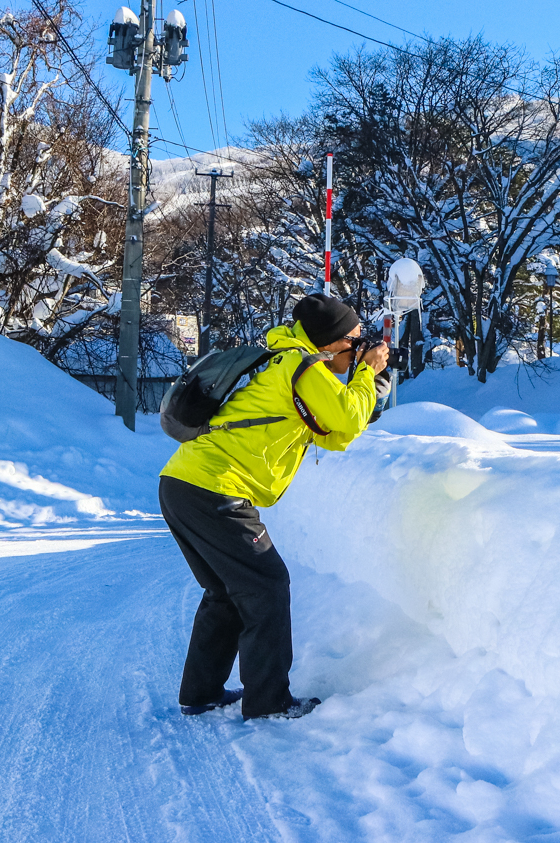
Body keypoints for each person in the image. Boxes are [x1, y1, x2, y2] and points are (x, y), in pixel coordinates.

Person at [158, 293, 390, 719]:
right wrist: (365, 376)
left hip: (185, 484)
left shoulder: (287, 362)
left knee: (227, 591)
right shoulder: (301, 365)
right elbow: (344, 419)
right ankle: (268, 702)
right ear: (332, 341)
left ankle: (201, 693)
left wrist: (367, 387)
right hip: (213, 488)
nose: (361, 348)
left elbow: (332, 434)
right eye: (355, 340)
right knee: (266, 584)